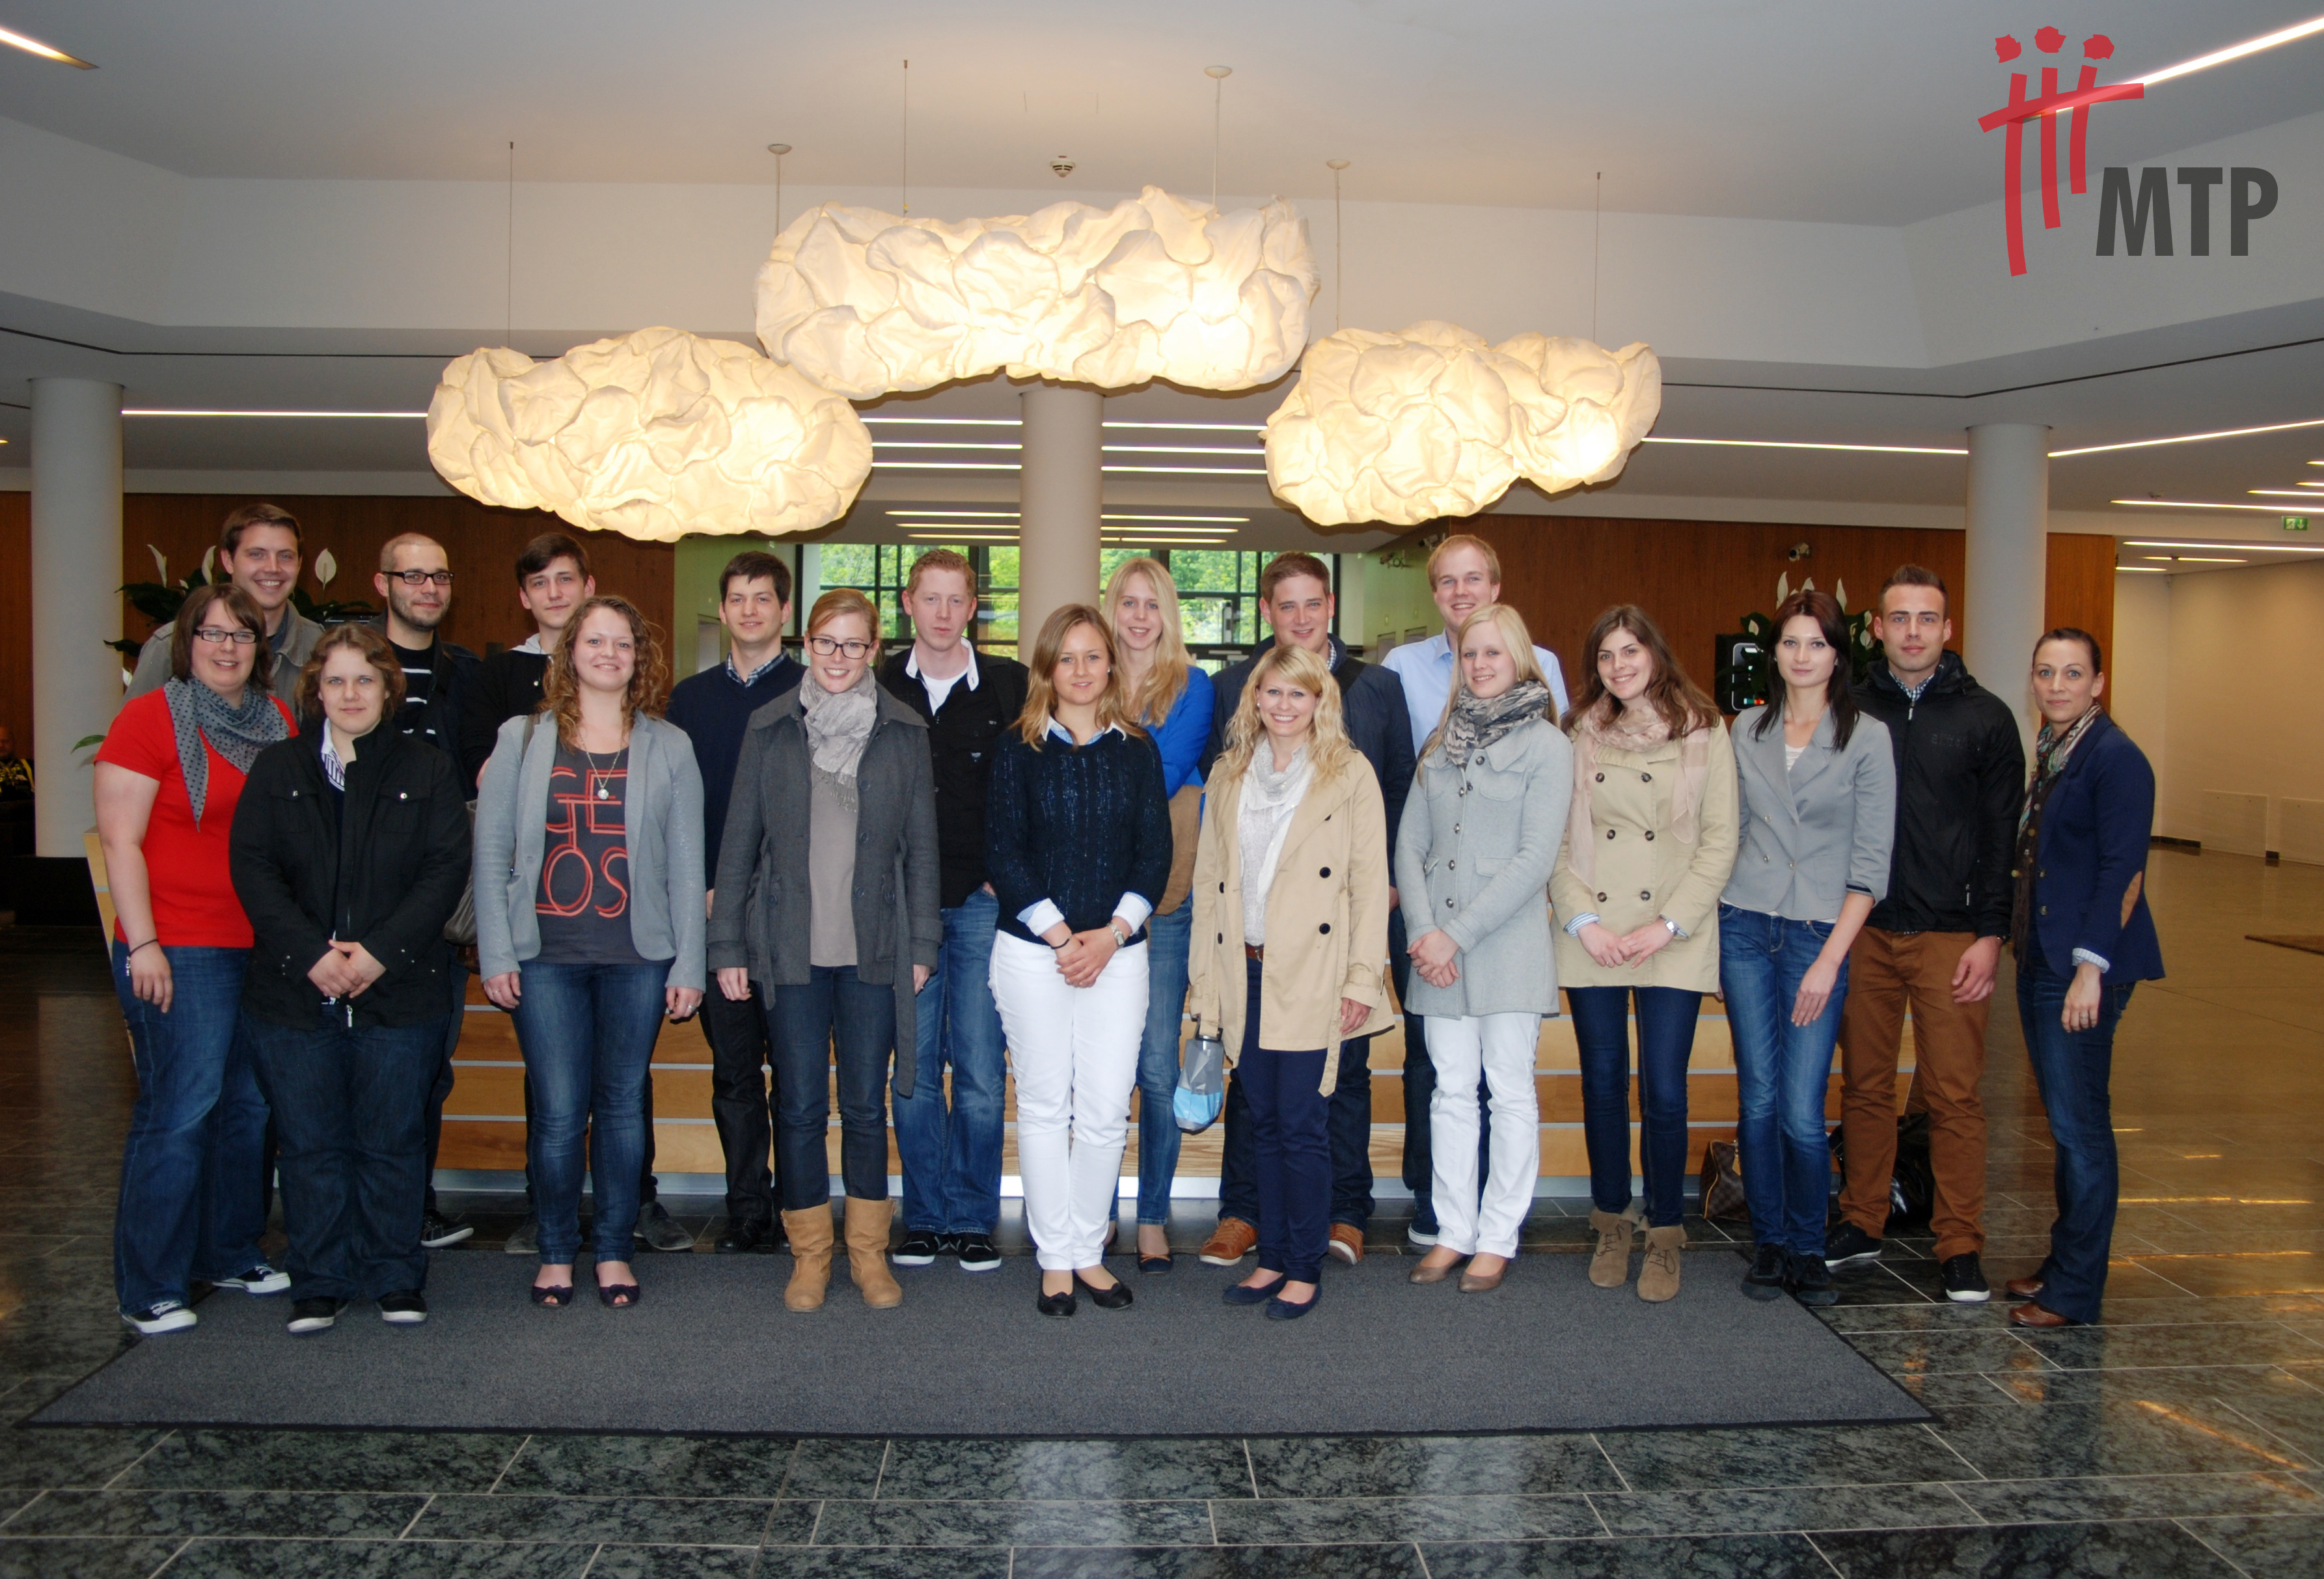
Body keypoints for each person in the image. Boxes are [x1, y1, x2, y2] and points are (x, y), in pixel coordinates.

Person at [228, 625, 471, 1334]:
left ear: (388, 688)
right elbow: (254, 868)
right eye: (335, 680)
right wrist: (313, 954)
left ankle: (395, 1275)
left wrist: (377, 954)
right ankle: (320, 1281)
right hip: (294, 992)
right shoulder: (278, 767)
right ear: (315, 691)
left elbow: (444, 869)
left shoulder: (427, 768)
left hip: (400, 990)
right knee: (310, 1145)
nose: (351, 693)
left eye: (365, 679)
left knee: (393, 1141)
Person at [474, 596, 705, 1310]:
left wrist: (689, 963)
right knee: (556, 1111)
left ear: (640, 657)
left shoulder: (670, 745)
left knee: (622, 1107)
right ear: (569, 651)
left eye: (623, 643)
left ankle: (612, 1250)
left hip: (638, 956)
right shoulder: (521, 738)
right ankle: (554, 1251)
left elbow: (687, 865)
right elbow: (491, 853)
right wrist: (496, 953)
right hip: (543, 956)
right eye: (596, 641)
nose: (609, 653)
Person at [710, 589, 938, 1312]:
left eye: (854, 644)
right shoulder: (769, 727)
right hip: (790, 952)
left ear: (874, 650)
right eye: (826, 642)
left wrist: (922, 943)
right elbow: (738, 844)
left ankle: (868, 1253)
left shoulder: (904, 731)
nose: (839, 657)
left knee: (867, 1107)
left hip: (875, 950)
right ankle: (810, 1255)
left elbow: (922, 850)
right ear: (806, 644)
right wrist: (727, 946)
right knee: (801, 1106)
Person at [1198, 552, 1410, 1270]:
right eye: (1285, 605)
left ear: (1329, 607)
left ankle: (1338, 1218)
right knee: (1258, 1100)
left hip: (1330, 944)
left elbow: (1395, 799)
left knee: (1331, 1092)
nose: (1299, 617)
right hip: (1250, 953)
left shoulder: (1375, 694)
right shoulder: (1232, 704)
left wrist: (1367, 955)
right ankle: (1249, 1217)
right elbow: (1216, 866)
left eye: (1311, 603)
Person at [94, 583, 295, 1333]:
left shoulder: (274, 721)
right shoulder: (150, 717)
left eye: (241, 634)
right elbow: (120, 840)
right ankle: (149, 1283)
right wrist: (143, 940)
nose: (227, 647)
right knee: (181, 1108)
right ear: (188, 642)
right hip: (178, 943)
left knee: (248, 1107)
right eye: (212, 633)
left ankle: (229, 1248)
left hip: (258, 945)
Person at [1832, 566, 2025, 1303]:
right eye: (1899, 618)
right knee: (1865, 1087)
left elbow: (2001, 836)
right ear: (1876, 629)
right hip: (1865, 930)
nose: (1912, 631)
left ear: (1947, 628)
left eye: (1926, 618)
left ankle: (1959, 1244)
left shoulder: (1986, 718)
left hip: (1952, 935)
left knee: (1953, 1096)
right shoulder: (1850, 709)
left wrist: (1990, 934)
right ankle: (1861, 1220)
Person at [1382, 532, 1570, 1247]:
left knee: (1510, 1093)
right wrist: (1423, 934)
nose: (1480, 664)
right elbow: (1411, 844)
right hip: (1436, 950)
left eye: (1494, 653)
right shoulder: (1440, 742)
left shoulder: (1548, 745)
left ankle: (1497, 1237)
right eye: (1470, 655)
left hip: (1504, 946)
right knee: (1450, 1093)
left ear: (1519, 659)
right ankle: (1454, 1230)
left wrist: (1450, 937)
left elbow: (1535, 858)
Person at [984, 605, 1171, 1317]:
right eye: (1067, 658)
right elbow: (1003, 851)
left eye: (1093, 656)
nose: (1082, 669)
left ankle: (1088, 1250)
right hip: (1034, 954)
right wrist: (1065, 938)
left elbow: (1154, 855)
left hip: (1117, 955)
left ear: (1110, 664)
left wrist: (1110, 936)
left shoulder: (1138, 750)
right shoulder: (1017, 749)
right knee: (1042, 1105)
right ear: (1046, 668)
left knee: (1103, 1109)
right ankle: (1054, 1257)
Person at [1551, 605, 1737, 1302]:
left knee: (1663, 1089)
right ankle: (1610, 1222)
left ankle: (1663, 1232)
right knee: (1602, 1083)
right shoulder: (1577, 731)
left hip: (1672, 931)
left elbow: (1719, 839)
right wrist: (1584, 922)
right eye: (1605, 656)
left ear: (1654, 652)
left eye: (1629, 650)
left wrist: (1668, 924)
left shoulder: (1703, 728)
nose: (1618, 666)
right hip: (1595, 932)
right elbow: (1555, 841)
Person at [1721, 588, 1894, 1308]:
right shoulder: (1747, 728)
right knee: (1757, 1099)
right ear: (1774, 653)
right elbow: (1728, 831)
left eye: (1816, 643)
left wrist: (1829, 961)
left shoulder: (1867, 737)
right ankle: (1769, 1243)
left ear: (1837, 654)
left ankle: (1807, 1243)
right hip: (1744, 924)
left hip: (1819, 935)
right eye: (1789, 642)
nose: (1801, 655)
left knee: (1799, 1107)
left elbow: (1871, 866)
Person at [2004, 630, 2163, 1331]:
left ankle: (2073, 1291)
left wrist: (2089, 968)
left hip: (2082, 967)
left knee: (2080, 1130)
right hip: (2042, 957)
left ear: (2098, 682)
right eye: (2045, 672)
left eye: (2072, 673)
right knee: (2065, 1126)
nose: (2056, 685)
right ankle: (2062, 1263)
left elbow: (2122, 871)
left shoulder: (2115, 758)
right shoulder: (2056, 749)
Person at [879, 550, 1030, 1274]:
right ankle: (924, 1215)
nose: (942, 613)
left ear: (973, 608)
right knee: (911, 1068)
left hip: (977, 904)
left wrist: (1011, 870)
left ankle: (970, 1216)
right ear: (908, 603)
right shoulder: (878, 683)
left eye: (956, 600)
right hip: (900, 906)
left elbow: (1030, 782)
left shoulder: (1009, 684)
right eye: (929, 598)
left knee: (976, 1066)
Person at [667, 550, 803, 1256]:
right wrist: (700, 887)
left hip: (794, 919)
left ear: (785, 610)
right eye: (738, 599)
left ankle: (800, 1209)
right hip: (714, 918)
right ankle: (748, 1208)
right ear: (722, 611)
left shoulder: (814, 690)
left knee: (798, 1075)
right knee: (735, 1072)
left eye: (763, 598)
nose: (750, 610)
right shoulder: (689, 700)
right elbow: (673, 810)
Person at [366, 532, 484, 1252]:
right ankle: (359, 1214)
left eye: (439, 575)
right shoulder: (354, 665)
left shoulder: (465, 674)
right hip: (361, 909)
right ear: (383, 584)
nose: (428, 588)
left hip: (439, 911)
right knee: (363, 1070)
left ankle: (414, 1207)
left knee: (428, 1071)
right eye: (412, 576)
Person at [1101, 556, 1216, 1271]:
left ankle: (1151, 1217)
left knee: (1153, 1063)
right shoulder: (1088, 674)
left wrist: (1095, 782)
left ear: (1167, 613)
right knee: (1100, 1067)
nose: (1140, 617)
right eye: (1128, 602)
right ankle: (1096, 1209)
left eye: (1152, 604)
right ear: (1112, 609)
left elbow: (1163, 773)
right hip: (1093, 903)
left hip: (1167, 899)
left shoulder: (1193, 686)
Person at [126, 504, 323, 706]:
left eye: (285, 556)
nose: (273, 568)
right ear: (228, 560)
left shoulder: (321, 648)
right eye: (257, 554)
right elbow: (134, 724)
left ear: (299, 564)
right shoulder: (171, 645)